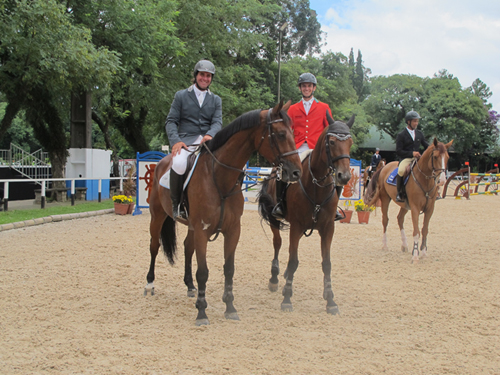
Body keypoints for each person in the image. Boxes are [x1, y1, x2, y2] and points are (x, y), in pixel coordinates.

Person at [272, 72, 343, 221]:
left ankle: (334, 207)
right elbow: (286, 129)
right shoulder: (293, 109)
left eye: (309, 86)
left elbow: (329, 129)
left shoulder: (324, 107)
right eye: (304, 86)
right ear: (300, 88)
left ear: (314, 88)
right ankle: (280, 204)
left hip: (318, 148)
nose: (306, 88)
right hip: (298, 147)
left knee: (336, 171)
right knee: (280, 170)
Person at [165, 59, 222, 220]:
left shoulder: (216, 99)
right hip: (186, 141)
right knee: (179, 163)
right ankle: (177, 205)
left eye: (208, 76)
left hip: (208, 141)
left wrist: (210, 134)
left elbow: (217, 121)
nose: (205, 78)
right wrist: (175, 140)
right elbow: (171, 121)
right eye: (202, 75)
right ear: (196, 75)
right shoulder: (181, 96)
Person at [395, 110, 429, 202]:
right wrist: (412, 153)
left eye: (417, 121)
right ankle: (399, 193)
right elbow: (398, 151)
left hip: (418, 158)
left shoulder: (419, 133)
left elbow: (426, 145)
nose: (416, 123)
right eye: (414, 121)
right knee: (401, 170)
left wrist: (434, 148)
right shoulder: (401, 135)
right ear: (408, 122)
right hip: (406, 158)